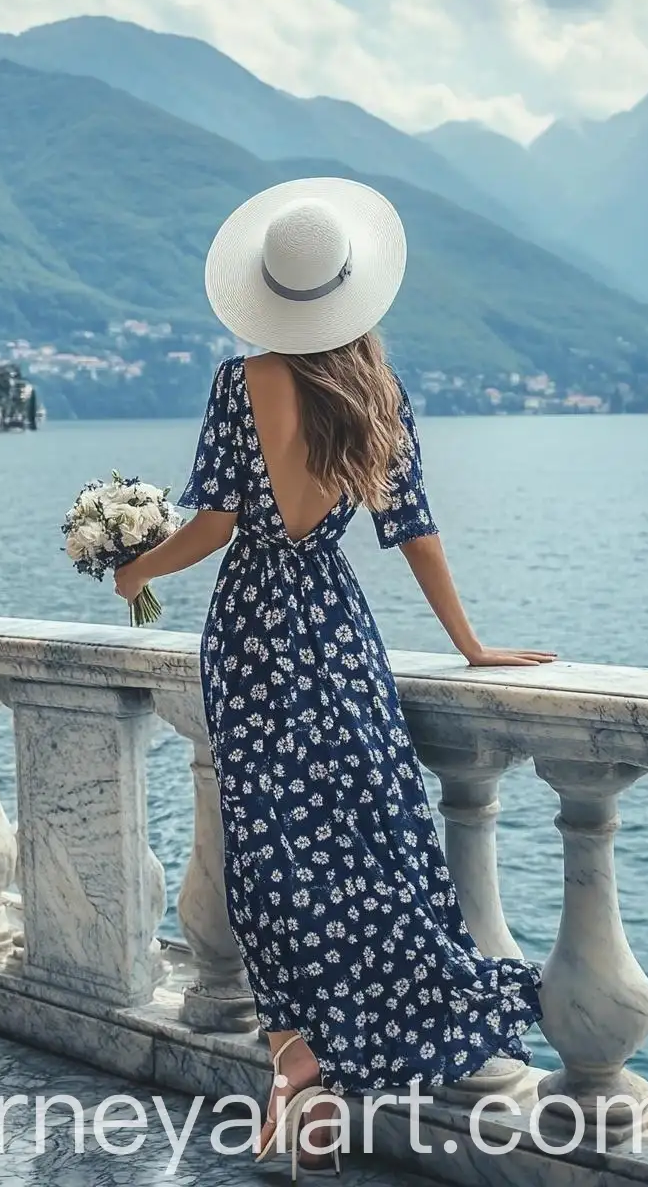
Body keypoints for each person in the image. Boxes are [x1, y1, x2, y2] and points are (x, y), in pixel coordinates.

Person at [113, 179, 550, 1168]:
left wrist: (136, 565)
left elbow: (219, 525)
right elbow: (414, 532)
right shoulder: (375, 392)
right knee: (364, 853)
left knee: (274, 867)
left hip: (256, 635)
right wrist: (470, 642)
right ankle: (303, 1086)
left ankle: (299, 1073)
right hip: (339, 636)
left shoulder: (240, 380)